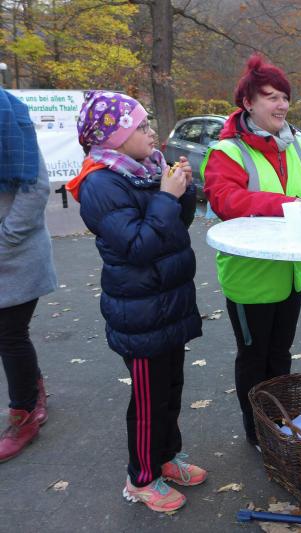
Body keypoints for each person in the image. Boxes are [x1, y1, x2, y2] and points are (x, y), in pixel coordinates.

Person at [201, 54, 301, 450]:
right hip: (250, 278)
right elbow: (225, 200)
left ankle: (278, 424)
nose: (281, 104)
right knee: (254, 358)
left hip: (290, 273)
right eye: (271, 97)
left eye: (284, 97)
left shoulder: (291, 145)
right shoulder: (227, 152)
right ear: (248, 103)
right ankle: (258, 433)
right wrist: (288, 205)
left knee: (280, 355)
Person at [66, 91, 205, 513]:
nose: (151, 132)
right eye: (141, 126)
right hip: (139, 312)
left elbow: (177, 226)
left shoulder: (148, 170)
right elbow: (138, 246)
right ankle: (141, 477)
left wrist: (182, 192)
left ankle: (167, 456)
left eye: (148, 123)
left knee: (172, 388)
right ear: (114, 137)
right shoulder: (100, 183)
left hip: (169, 302)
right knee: (148, 401)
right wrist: (166, 196)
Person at [0, 89, 57, 462]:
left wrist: (5, 239)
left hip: (14, 252)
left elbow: (35, 189)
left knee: (9, 333)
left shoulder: (10, 118)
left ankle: (24, 413)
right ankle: (33, 392)